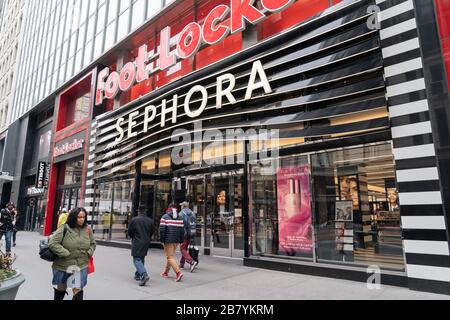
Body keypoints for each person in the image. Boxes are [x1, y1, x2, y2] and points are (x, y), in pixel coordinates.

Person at [49, 207, 96, 300]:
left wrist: (89, 252)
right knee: (61, 287)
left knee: (78, 289)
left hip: (81, 265)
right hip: (63, 264)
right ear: (73, 217)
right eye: (79, 217)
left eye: (83, 217)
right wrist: (65, 253)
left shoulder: (87, 229)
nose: (82, 219)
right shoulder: (64, 228)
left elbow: (93, 243)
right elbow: (52, 243)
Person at [127, 205, 154, 286]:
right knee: (141, 257)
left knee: (136, 259)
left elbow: (130, 232)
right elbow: (152, 232)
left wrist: (133, 237)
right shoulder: (150, 221)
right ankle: (138, 274)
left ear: (138, 211)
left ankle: (143, 274)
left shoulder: (134, 220)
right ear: (145, 211)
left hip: (137, 241)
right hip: (146, 241)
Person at [159, 203, 184, 282]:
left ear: (169, 208)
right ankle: (165, 272)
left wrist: (162, 240)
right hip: (176, 240)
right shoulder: (180, 217)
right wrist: (181, 240)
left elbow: (162, 230)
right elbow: (182, 231)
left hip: (168, 240)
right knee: (170, 256)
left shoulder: (164, 217)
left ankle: (178, 273)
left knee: (169, 257)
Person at [179, 202, 198, 272]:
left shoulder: (181, 214)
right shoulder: (192, 213)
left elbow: (180, 225)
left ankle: (192, 261)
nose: (180, 207)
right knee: (185, 248)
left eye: (181, 206)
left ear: (183, 206)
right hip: (191, 232)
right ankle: (181, 263)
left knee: (182, 249)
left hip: (184, 234)